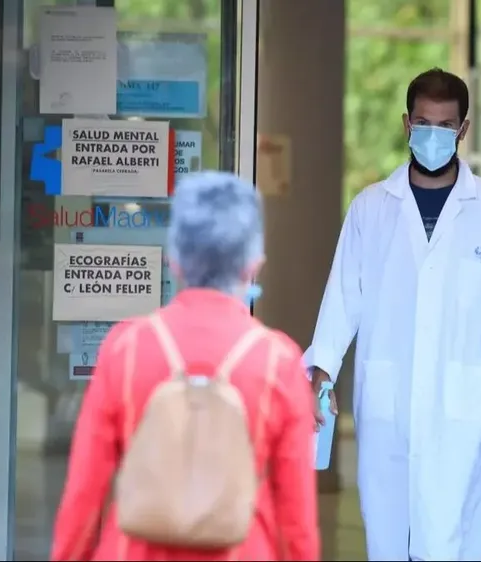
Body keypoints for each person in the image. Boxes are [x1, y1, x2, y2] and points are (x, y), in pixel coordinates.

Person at [305, 67, 481, 561]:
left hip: (460, 406)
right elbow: (343, 296)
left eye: (445, 126)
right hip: (388, 401)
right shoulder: (371, 208)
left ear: (463, 130)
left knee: (450, 535)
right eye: (424, 124)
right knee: (386, 532)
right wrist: (321, 373)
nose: (433, 136)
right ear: (407, 124)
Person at [50, 172, 320, 561]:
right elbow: (296, 522)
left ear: (174, 260)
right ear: (253, 264)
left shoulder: (125, 349)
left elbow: (83, 495)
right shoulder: (278, 362)